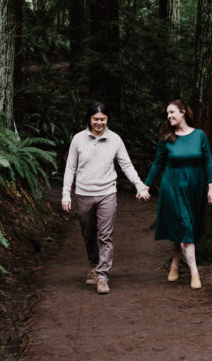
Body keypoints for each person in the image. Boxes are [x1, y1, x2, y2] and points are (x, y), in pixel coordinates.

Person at [62, 101, 150, 295]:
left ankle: (103, 276)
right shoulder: (78, 139)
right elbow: (70, 168)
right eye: (95, 119)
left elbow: (126, 165)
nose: (99, 123)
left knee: (105, 236)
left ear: (107, 119)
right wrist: (65, 194)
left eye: (102, 119)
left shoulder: (115, 139)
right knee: (88, 234)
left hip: (107, 193)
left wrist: (140, 186)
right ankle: (94, 267)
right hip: (83, 193)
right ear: (89, 119)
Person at [140, 99, 212, 289]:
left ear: (183, 112)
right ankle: (194, 273)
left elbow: (208, 162)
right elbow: (158, 163)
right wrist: (146, 186)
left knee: (185, 228)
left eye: (172, 112)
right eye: (167, 113)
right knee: (185, 225)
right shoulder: (167, 138)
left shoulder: (199, 136)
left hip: (195, 187)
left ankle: (174, 264)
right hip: (173, 187)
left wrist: (211, 186)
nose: (169, 116)